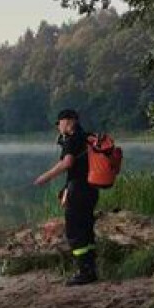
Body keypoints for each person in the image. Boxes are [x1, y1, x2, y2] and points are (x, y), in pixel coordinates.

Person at [33, 109, 98, 286]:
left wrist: (45, 177)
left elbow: (68, 163)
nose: (58, 127)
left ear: (68, 121)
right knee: (86, 228)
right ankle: (91, 269)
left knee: (75, 231)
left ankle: (84, 272)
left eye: (59, 123)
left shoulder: (72, 138)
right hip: (92, 188)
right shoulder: (87, 136)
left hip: (79, 189)